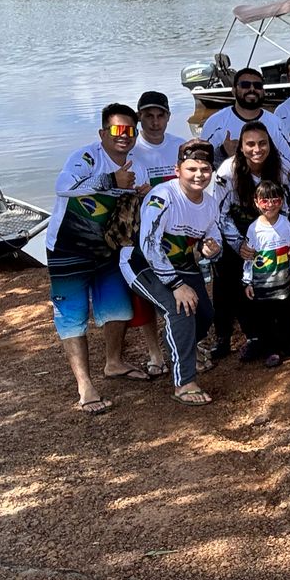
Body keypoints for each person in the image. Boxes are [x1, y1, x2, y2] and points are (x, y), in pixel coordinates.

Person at [44, 102, 150, 414]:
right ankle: (85, 386)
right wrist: (110, 182)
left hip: (108, 249)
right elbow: (63, 187)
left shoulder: (138, 165)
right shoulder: (86, 158)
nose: (124, 135)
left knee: (118, 308)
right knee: (72, 315)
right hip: (68, 248)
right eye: (117, 129)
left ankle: (114, 362)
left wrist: (142, 196)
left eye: (130, 130)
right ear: (103, 133)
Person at [119, 138, 220, 405]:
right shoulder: (162, 196)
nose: (199, 175)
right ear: (177, 170)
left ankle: (182, 345)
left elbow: (214, 234)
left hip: (182, 263)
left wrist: (212, 247)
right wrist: (176, 285)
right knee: (180, 310)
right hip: (142, 263)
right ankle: (184, 383)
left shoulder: (210, 204)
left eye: (205, 169)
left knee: (205, 314)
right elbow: (149, 245)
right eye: (191, 169)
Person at [208, 120, 290, 361]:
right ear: (241, 147)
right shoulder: (227, 172)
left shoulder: (282, 168)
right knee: (228, 279)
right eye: (250, 144)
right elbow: (220, 214)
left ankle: (288, 333)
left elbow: (288, 207)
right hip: (235, 230)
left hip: (271, 228)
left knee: (279, 273)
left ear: (270, 144)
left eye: (262, 143)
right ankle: (225, 336)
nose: (257, 149)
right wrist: (239, 244)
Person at [124, 89, 185, 377]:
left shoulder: (180, 146)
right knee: (146, 295)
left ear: (168, 117)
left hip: (177, 229)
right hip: (141, 230)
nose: (155, 122)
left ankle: (190, 343)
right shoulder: (130, 150)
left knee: (184, 285)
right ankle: (154, 352)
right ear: (140, 118)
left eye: (160, 115)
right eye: (149, 116)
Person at [241, 179, 290, 367]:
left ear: (281, 202)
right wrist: (247, 282)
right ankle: (271, 350)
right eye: (265, 201)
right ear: (256, 202)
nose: (270, 205)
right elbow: (249, 258)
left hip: (283, 282)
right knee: (265, 319)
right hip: (262, 285)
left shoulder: (286, 224)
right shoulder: (254, 229)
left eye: (275, 200)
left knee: (286, 314)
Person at [200, 68, 288, 166]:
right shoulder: (215, 122)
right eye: (245, 85)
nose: (252, 89)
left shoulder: (276, 123)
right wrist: (223, 152)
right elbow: (200, 162)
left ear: (263, 91)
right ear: (234, 91)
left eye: (257, 86)